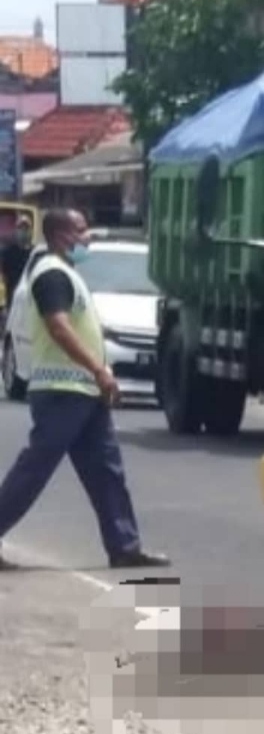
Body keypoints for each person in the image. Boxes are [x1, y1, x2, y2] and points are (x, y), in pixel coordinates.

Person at [0, 208, 170, 571]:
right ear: (62, 235)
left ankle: (125, 547)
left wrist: (97, 376)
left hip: (83, 391)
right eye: (81, 229)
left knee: (107, 471)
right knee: (34, 470)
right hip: (62, 390)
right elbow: (59, 328)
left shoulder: (67, 272)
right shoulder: (51, 274)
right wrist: (98, 369)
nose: (87, 236)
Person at [1, 214, 33, 311]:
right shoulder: (7, 252)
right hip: (12, 297)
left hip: (30, 298)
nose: (23, 231)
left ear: (31, 231)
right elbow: (3, 275)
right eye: (20, 228)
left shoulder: (35, 252)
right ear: (16, 230)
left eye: (26, 228)